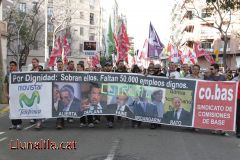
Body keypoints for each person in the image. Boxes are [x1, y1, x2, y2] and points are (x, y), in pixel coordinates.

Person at [4, 61, 22, 130]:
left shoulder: (19, 74)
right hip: (10, 95)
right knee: (12, 109)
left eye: (12, 65)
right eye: (10, 65)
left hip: (18, 95)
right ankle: (14, 124)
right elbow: (5, 85)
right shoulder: (8, 75)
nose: (11, 67)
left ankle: (19, 123)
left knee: (17, 108)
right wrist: (6, 93)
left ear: (16, 66)